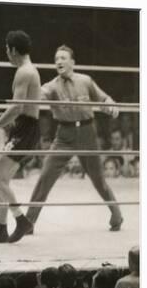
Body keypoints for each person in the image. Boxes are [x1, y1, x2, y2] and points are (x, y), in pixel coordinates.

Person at [23, 44, 123, 240]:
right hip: (64, 136)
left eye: (62, 58)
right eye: (56, 59)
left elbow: (103, 98)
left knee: (98, 180)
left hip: (88, 133)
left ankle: (117, 215)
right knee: (45, 177)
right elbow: (38, 96)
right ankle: (29, 223)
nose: (58, 61)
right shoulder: (52, 86)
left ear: (72, 62)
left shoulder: (85, 80)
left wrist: (111, 105)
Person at [0, 30, 42, 243]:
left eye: (6, 49)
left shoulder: (24, 72)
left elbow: (16, 107)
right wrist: (0, 119)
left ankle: (21, 220)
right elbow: (21, 112)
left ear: (13, 49)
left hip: (25, 131)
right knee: (1, 180)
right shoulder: (29, 70)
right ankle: (2, 229)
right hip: (23, 128)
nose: (6, 54)